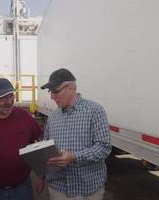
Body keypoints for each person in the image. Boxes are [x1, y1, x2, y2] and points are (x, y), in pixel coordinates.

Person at [40, 68, 112, 200]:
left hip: (88, 189)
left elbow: (104, 147)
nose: (51, 97)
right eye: (51, 92)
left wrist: (74, 157)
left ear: (71, 88)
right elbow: (46, 148)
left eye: (56, 91)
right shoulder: (53, 117)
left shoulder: (95, 111)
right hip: (58, 189)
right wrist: (42, 175)